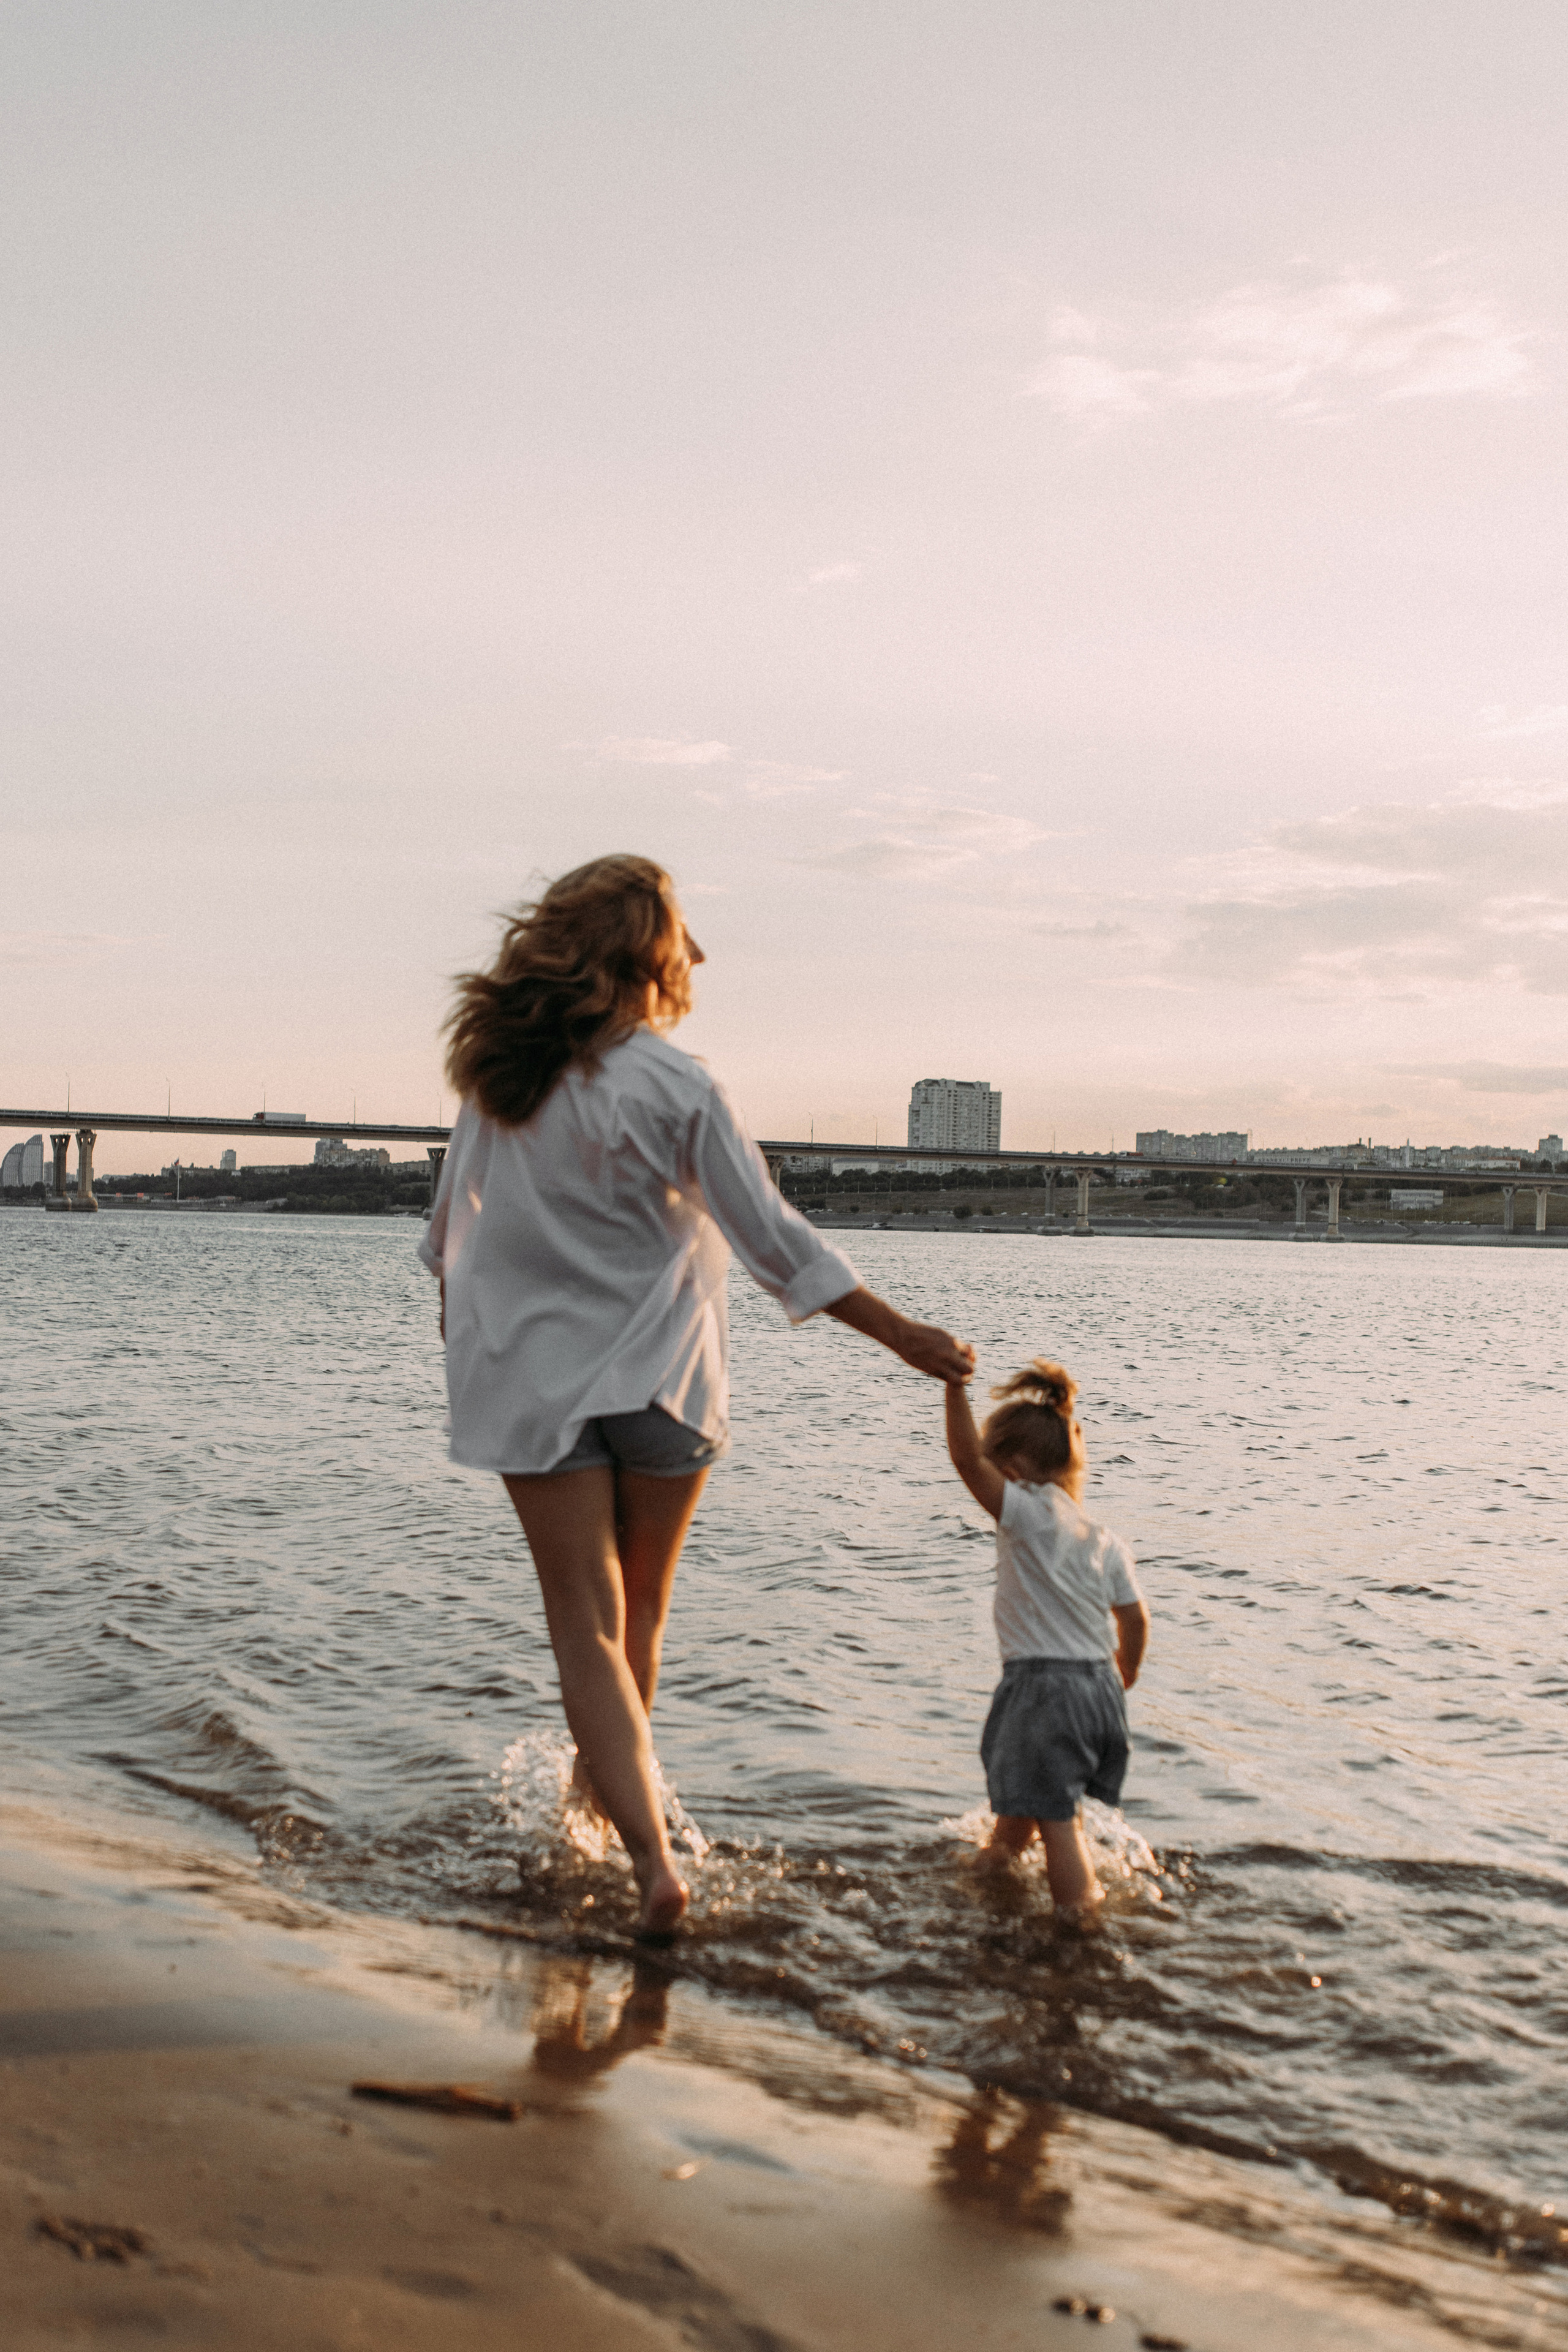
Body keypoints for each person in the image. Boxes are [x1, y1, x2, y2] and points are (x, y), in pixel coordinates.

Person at [420, 853, 974, 1937]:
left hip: (533, 1384)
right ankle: (605, 1830)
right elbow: (776, 1242)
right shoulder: (679, 1086)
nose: (700, 955)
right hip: (665, 1381)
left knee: (584, 1626)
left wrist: (468, 1337)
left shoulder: (501, 1082)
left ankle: (642, 1858)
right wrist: (901, 1334)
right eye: (683, 937)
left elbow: (450, 1239)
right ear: (647, 957)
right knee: (640, 1621)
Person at [941, 1357, 1148, 1913]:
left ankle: (1080, 1923)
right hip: (1100, 1688)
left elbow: (965, 1460)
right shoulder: (1104, 1539)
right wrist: (1125, 1670)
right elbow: (1135, 1618)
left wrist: (954, 1387)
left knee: (1060, 1820)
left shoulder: (1026, 1514)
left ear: (1010, 1471)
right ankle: (992, 1869)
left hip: (1045, 1689)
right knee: (1025, 1809)